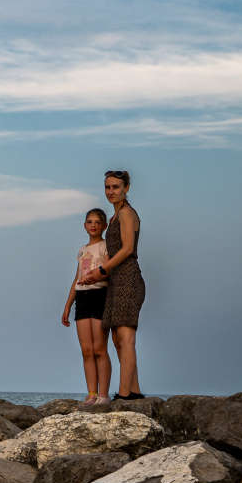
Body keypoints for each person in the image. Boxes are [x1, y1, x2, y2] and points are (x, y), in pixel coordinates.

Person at [95, 170, 146, 400]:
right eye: (108, 187)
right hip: (115, 280)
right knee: (117, 339)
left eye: (116, 187)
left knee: (126, 338)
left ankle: (124, 395)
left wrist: (102, 269)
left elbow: (127, 249)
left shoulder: (126, 213)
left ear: (126, 188)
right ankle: (133, 390)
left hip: (128, 278)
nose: (111, 192)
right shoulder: (114, 217)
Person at [61, 208, 112, 404]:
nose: (93, 225)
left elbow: (109, 270)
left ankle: (103, 395)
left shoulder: (106, 246)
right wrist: (67, 306)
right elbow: (77, 278)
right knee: (86, 350)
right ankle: (91, 394)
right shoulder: (82, 250)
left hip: (99, 295)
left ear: (104, 226)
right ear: (84, 225)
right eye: (90, 222)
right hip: (81, 299)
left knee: (100, 348)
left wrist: (96, 276)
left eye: (97, 222)